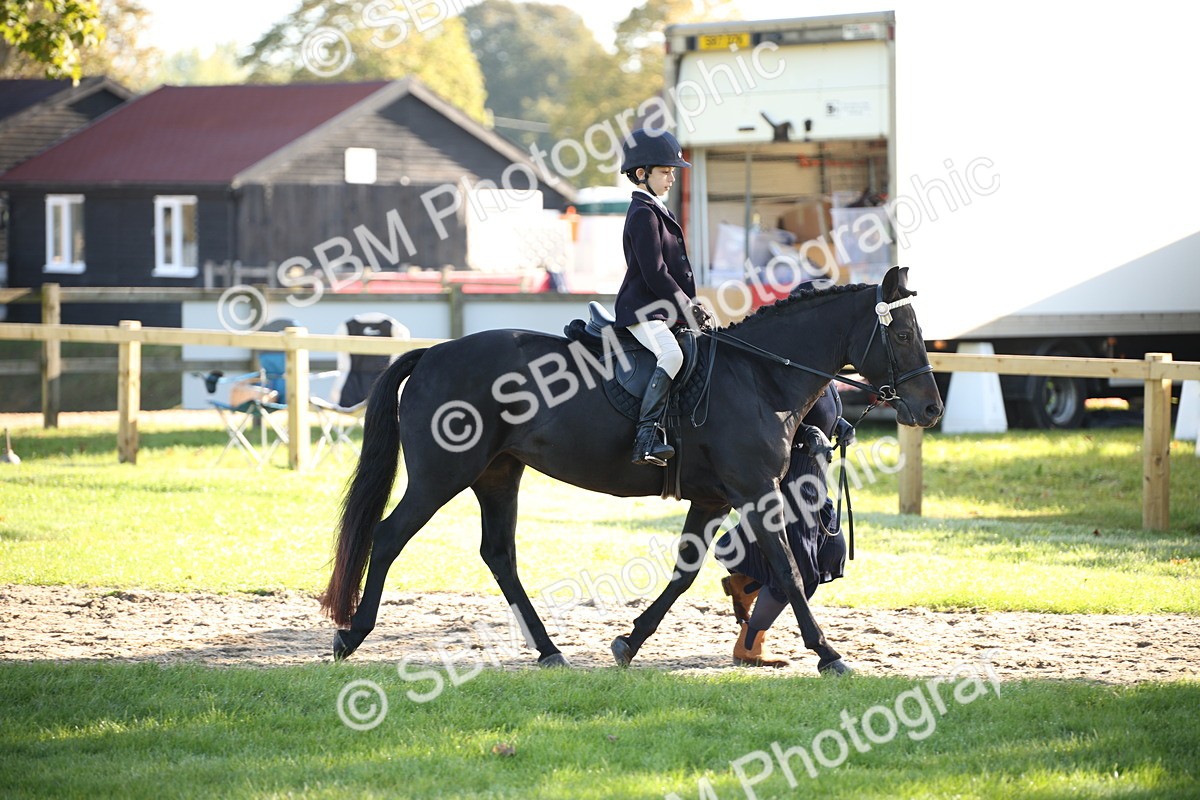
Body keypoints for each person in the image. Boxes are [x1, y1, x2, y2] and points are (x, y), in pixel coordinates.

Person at [716, 385, 856, 667]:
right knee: (798, 572)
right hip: (790, 482)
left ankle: (747, 581)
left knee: (831, 551)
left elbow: (814, 410)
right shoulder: (792, 364)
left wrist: (837, 423)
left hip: (815, 481)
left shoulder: (824, 373)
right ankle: (750, 644)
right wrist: (806, 432)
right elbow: (773, 414)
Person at [615, 128, 709, 466]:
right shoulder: (642, 213)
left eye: (672, 172)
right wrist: (686, 304)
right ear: (642, 174)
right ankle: (646, 435)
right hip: (641, 310)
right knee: (671, 356)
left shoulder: (656, 209)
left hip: (662, 311)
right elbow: (655, 272)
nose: (672, 178)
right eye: (666, 172)